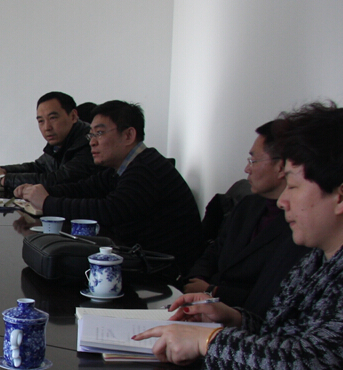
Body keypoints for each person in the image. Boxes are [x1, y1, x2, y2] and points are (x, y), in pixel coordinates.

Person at [137, 102, 343, 370]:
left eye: (293, 186)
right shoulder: (325, 254)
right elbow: (290, 337)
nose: (283, 201)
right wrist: (235, 319)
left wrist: (208, 341)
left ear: (341, 196)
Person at [15, 100, 204, 276]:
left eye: (99, 133)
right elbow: (84, 188)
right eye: (91, 135)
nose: (92, 142)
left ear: (128, 135)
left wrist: (47, 202)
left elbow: (108, 210)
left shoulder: (146, 168)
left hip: (164, 271)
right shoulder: (122, 168)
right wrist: (39, 191)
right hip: (141, 259)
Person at [183, 120, 310, 315]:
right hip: (205, 306)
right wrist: (195, 280)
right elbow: (214, 251)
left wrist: (212, 291)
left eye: (253, 161)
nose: (246, 169)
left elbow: (270, 297)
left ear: (281, 167)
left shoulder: (301, 226)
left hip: (242, 316)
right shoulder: (248, 205)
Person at [0, 92, 100, 190]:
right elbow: (38, 167)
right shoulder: (61, 141)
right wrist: (2, 170)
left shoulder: (90, 142)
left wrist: (3, 179)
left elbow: (59, 180)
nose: (47, 127)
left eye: (53, 118)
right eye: (41, 121)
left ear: (73, 116)